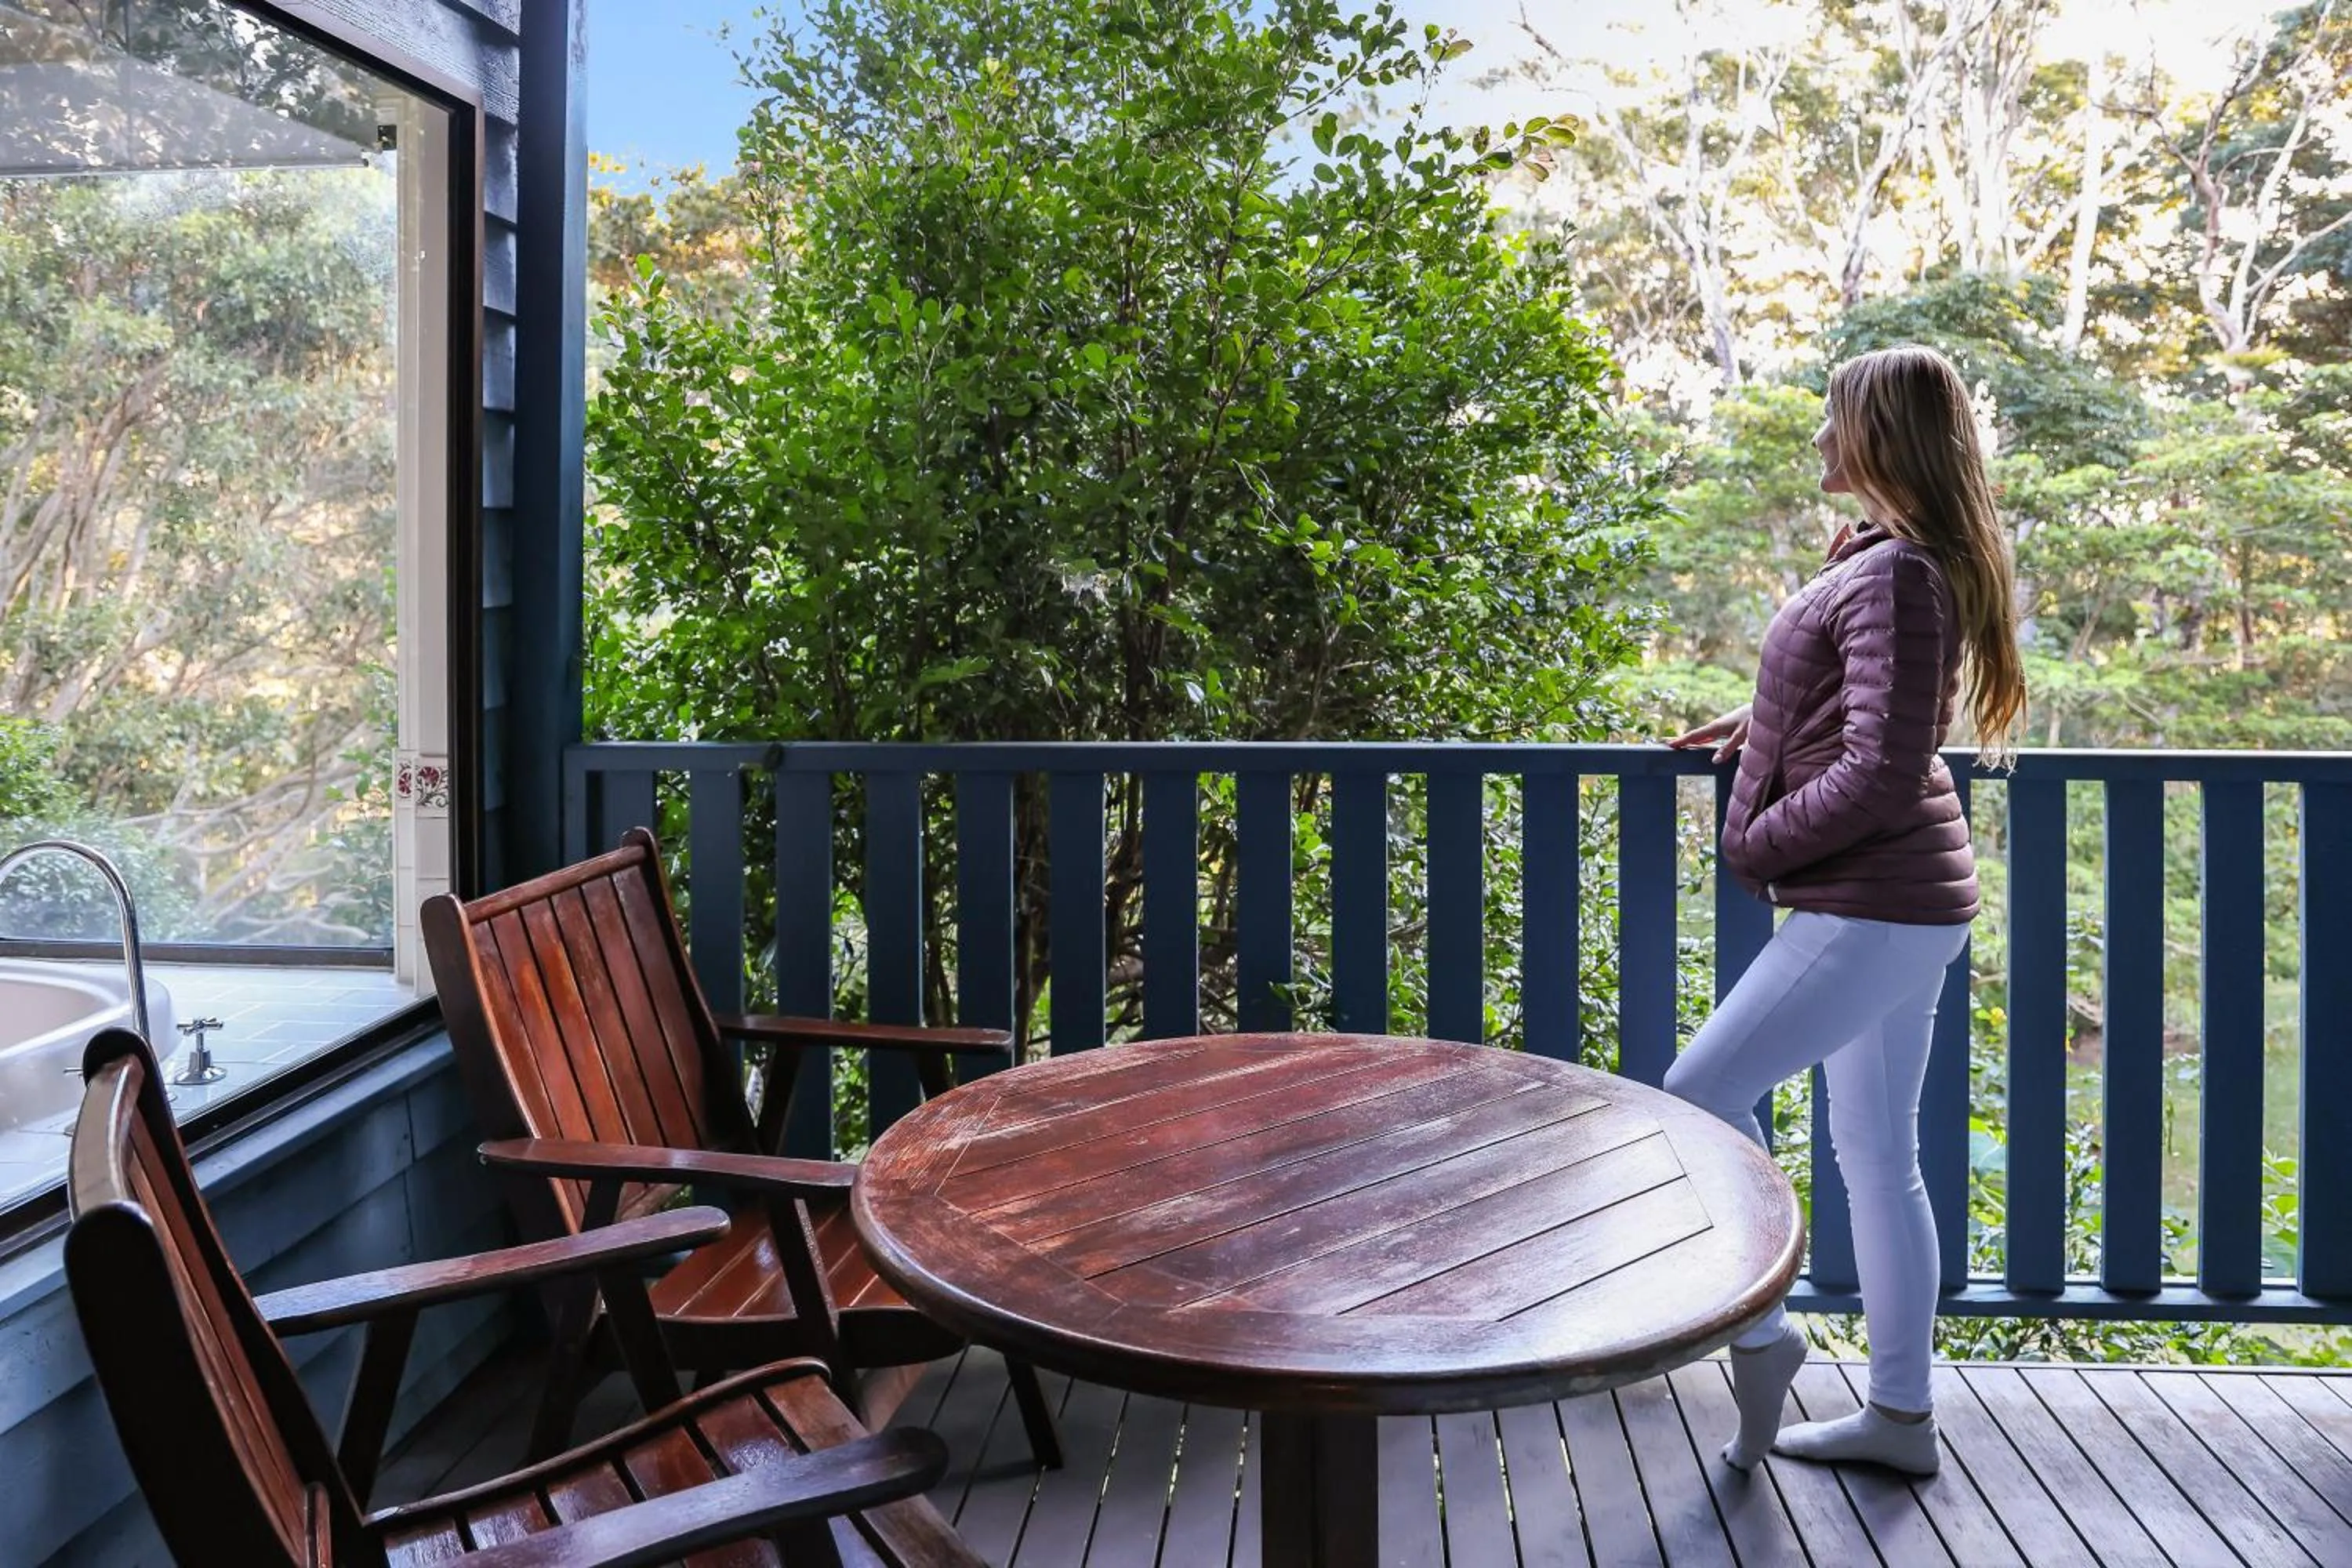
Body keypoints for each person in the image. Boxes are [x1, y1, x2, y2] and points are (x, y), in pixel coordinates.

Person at [1663, 343, 2025, 1477]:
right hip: (1902, 900)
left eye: (1833, 417)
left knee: (1697, 1096)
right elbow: (1857, 700)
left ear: (1878, 434)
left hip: (1876, 902)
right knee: (1876, 1155)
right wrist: (1758, 724)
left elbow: (1882, 764)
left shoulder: (1901, 574)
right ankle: (1902, 1419)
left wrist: (1753, 844)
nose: (1819, 437)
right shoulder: (1882, 560)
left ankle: (1763, 1336)